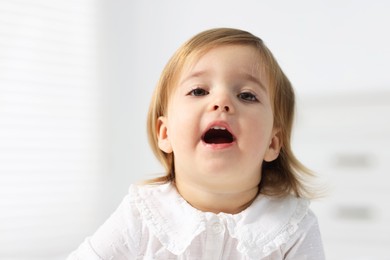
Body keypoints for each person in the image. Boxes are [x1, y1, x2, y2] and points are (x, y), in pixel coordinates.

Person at [67, 28, 325, 259]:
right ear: (165, 133)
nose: (222, 101)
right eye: (199, 91)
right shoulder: (142, 215)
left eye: (247, 95)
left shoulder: (292, 226)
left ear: (273, 142)